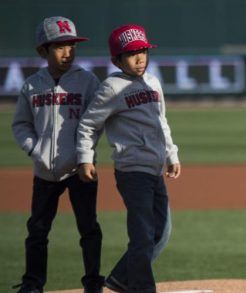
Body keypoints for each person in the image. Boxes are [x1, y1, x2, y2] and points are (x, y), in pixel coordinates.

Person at [76, 24, 181, 293]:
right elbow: (88, 125)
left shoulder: (154, 82)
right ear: (116, 59)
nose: (140, 57)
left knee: (160, 232)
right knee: (143, 235)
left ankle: (122, 279)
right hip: (132, 171)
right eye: (132, 53)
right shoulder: (111, 87)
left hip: (154, 169)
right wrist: (85, 158)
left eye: (143, 50)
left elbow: (162, 122)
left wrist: (171, 153)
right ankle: (142, 288)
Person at [11, 16, 104, 293]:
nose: (69, 52)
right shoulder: (31, 85)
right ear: (43, 51)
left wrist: (85, 155)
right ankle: (33, 284)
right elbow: (21, 124)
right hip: (44, 171)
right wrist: (34, 149)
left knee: (88, 229)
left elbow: (95, 123)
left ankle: (92, 282)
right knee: (37, 231)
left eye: (72, 45)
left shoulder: (87, 82)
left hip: (80, 169)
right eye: (60, 46)